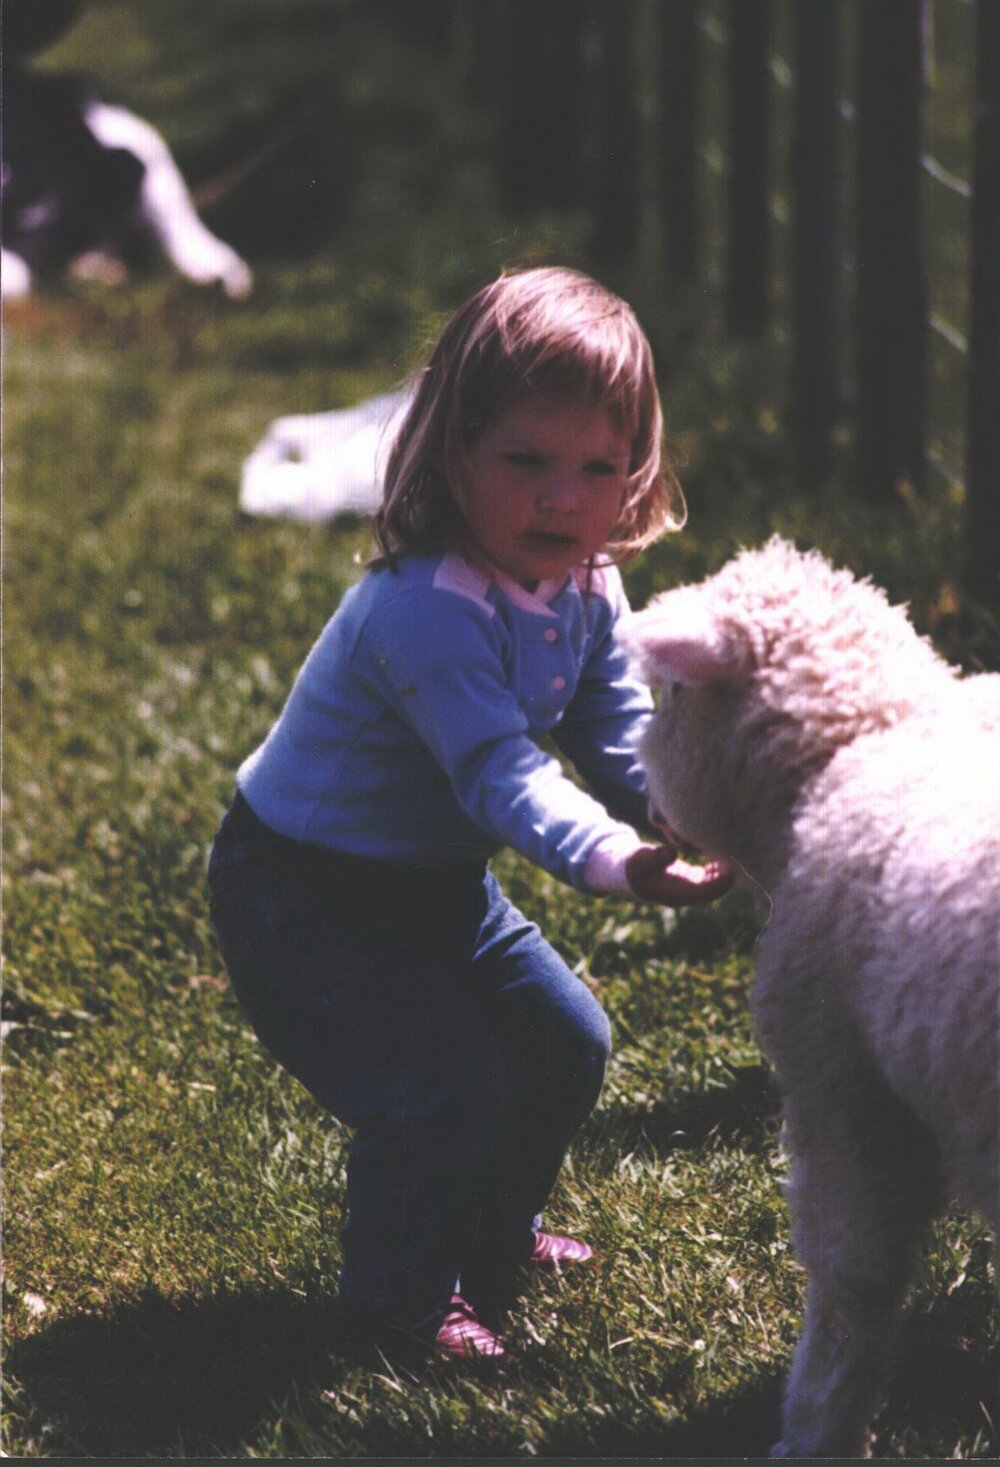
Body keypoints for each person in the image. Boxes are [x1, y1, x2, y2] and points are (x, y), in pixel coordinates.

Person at [207, 265, 734, 1364]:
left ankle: (494, 1226)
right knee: (436, 1089)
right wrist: (620, 859)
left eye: (601, 467)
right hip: (306, 892)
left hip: (434, 884)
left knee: (562, 1042)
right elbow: (500, 775)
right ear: (452, 455)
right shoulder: (426, 608)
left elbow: (609, 712)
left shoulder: (585, 577)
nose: (564, 498)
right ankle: (400, 1306)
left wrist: (678, 806)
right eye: (526, 462)